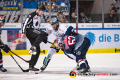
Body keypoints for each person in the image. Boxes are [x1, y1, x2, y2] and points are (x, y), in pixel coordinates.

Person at [21, 4, 48, 72]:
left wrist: (42, 38)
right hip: (30, 31)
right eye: (42, 11)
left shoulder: (39, 17)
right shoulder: (32, 15)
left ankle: (31, 66)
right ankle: (33, 46)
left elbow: (37, 28)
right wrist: (23, 32)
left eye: (43, 12)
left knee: (37, 50)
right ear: (38, 9)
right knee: (44, 33)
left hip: (34, 32)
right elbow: (25, 23)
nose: (42, 13)